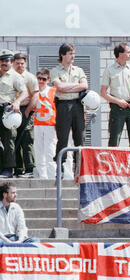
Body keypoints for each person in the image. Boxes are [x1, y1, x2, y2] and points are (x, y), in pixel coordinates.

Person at [50, 43, 88, 171]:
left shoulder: (79, 70)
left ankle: (79, 166)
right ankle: (60, 165)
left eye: (73, 53)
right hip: (63, 105)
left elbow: (84, 86)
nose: (73, 56)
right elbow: (59, 87)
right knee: (63, 136)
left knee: (80, 135)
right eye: (70, 53)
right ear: (62, 55)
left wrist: (67, 87)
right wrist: (74, 86)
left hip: (77, 105)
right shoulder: (55, 71)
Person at [101, 42, 130, 147]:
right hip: (117, 108)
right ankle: (111, 162)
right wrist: (118, 101)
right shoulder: (109, 70)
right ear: (120, 54)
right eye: (128, 52)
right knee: (114, 139)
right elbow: (103, 92)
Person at [0, 49, 28, 179]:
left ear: (11, 62)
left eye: (7, 60)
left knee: (9, 140)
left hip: (7, 110)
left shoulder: (15, 76)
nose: (4, 63)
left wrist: (17, 102)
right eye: (2, 60)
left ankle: (8, 168)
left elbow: (24, 92)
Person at [12, 53, 39, 178]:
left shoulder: (30, 77)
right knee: (14, 138)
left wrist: (28, 111)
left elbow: (35, 96)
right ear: (13, 63)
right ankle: (18, 168)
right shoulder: (9, 76)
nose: (20, 66)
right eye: (17, 63)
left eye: (22, 63)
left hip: (26, 109)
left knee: (27, 139)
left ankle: (29, 168)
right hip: (12, 110)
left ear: (25, 64)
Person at [33, 68, 57, 179]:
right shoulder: (34, 91)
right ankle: (42, 176)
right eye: (39, 78)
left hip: (50, 125)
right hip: (37, 124)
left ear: (48, 79)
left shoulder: (53, 91)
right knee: (38, 150)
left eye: (44, 79)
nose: (41, 81)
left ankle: (52, 176)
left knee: (50, 151)